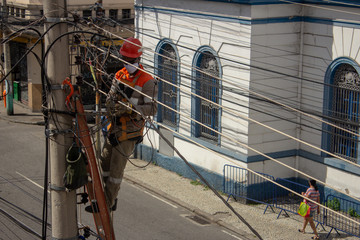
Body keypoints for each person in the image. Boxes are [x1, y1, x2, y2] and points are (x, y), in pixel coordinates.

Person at [85, 37, 158, 212]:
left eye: (130, 60)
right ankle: (105, 197)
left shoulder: (147, 81)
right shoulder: (119, 75)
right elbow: (110, 98)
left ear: (137, 59)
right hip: (114, 128)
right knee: (103, 165)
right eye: (125, 59)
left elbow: (152, 109)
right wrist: (112, 105)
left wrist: (130, 106)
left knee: (116, 171)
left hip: (130, 132)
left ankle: (107, 204)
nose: (127, 63)